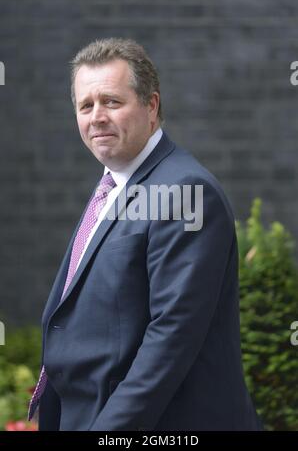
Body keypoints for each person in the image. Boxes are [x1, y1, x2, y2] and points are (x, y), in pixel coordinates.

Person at [28, 38, 261, 431]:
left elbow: (169, 341)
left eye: (112, 102)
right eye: (86, 106)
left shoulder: (185, 192)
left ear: (151, 107)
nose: (96, 116)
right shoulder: (115, 185)